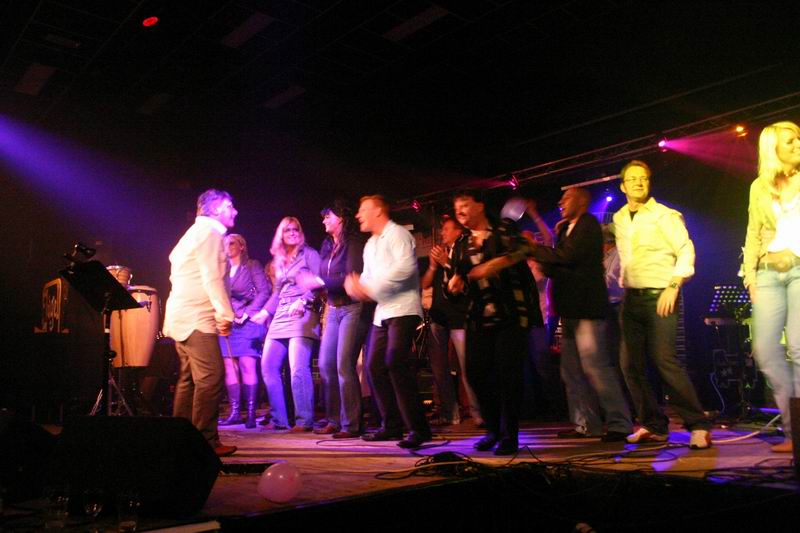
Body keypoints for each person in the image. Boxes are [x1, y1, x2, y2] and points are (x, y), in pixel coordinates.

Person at [613, 160, 712, 449]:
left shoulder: (665, 215)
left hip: (661, 294)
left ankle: (698, 425)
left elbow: (685, 249)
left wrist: (674, 285)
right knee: (629, 364)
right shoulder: (620, 217)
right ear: (623, 186)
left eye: (643, 178)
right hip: (631, 297)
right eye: (633, 179)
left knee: (664, 360)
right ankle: (653, 425)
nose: (638, 183)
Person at [529, 188, 632, 441]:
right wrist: (548, 260)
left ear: (582, 201)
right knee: (571, 372)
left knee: (596, 367)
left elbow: (568, 257)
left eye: (567, 198)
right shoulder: (566, 229)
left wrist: (532, 249)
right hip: (570, 310)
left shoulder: (588, 225)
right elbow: (558, 265)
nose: (560, 202)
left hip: (587, 309)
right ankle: (586, 425)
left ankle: (619, 423)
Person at [447, 190, 542, 455]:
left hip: (511, 313)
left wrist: (495, 264)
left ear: (480, 206)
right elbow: (456, 281)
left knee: (508, 375)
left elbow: (526, 248)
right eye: (457, 208)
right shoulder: (461, 243)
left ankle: (509, 435)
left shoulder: (504, 229)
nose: (460, 211)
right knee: (476, 374)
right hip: (478, 317)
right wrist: (454, 285)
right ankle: (493, 429)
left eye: (465, 205)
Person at [344, 195, 432, 449]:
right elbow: (368, 278)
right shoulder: (371, 244)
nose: (358, 215)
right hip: (383, 312)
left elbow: (405, 270)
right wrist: (358, 287)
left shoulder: (399, 235)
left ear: (378, 211)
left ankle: (418, 428)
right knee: (373, 366)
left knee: (395, 362)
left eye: (363, 210)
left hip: (404, 309)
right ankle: (391, 425)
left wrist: (367, 289)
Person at [163, 189, 237, 457]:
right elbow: (212, 278)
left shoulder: (192, 234)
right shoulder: (210, 233)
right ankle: (204, 442)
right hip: (197, 319)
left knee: (189, 380)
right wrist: (225, 314)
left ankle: (180, 439)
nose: (235, 211)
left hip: (181, 317)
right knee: (212, 377)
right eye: (229, 206)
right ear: (215, 209)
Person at [743, 121, 800, 453]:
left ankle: (797, 436)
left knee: (798, 347)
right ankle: (793, 428)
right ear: (773, 148)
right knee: (765, 350)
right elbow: (753, 232)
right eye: (790, 141)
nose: (798, 144)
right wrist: (750, 276)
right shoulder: (759, 187)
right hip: (767, 273)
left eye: (798, 139)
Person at [295, 200, 369, 438]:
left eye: (328, 216)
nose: (324, 220)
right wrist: (312, 283)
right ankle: (334, 420)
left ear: (341, 219)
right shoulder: (327, 244)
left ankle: (351, 424)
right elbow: (324, 276)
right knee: (326, 365)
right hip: (333, 308)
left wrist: (318, 281)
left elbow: (350, 277)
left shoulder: (353, 243)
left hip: (352, 308)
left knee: (344, 365)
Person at [254, 217, 321, 432]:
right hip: (281, 313)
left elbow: (320, 283)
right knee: (267, 366)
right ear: (281, 235)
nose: (292, 233)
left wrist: (304, 300)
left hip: (302, 312)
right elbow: (277, 292)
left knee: (298, 368)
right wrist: (265, 312)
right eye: (287, 230)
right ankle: (279, 420)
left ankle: (304, 420)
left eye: (296, 229)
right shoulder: (280, 259)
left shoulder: (309, 254)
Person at [421, 216, 481, 426]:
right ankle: (450, 413)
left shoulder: (464, 251)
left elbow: (467, 280)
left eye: (447, 229)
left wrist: (447, 262)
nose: (442, 233)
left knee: (468, 367)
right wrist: (433, 267)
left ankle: (479, 413)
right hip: (438, 317)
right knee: (439, 368)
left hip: (459, 317)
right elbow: (425, 284)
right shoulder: (439, 254)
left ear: (458, 231)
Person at [218, 234, 270, 429]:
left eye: (232, 243)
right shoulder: (222, 269)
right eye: (225, 243)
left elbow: (264, 292)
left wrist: (247, 313)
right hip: (228, 322)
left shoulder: (252, 265)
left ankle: (250, 413)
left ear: (242, 246)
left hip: (248, 321)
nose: (227, 246)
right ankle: (234, 413)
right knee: (229, 366)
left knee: (247, 366)